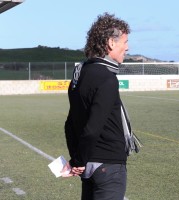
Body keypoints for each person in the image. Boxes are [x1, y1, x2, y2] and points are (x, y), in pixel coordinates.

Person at [62, 12, 132, 200]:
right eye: (124, 42)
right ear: (111, 43)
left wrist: (77, 160)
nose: (127, 47)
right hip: (108, 167)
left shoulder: (79, 75)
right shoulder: (107, 78)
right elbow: (92, 128)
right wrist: (79, 160)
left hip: (89, 167)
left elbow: (70, 124)